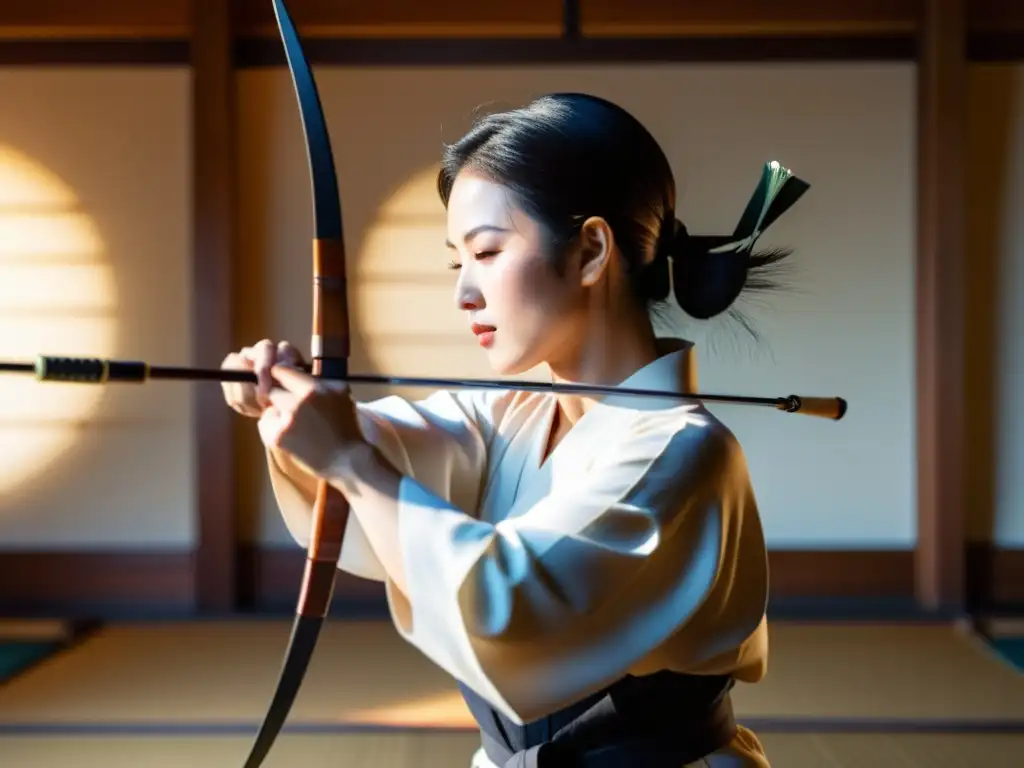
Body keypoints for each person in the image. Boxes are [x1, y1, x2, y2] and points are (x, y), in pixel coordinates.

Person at [221, 93, 807, 767]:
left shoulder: (686, 453)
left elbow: (516, 606)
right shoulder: (515, 414)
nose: (463, 293)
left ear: (591, 250)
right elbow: (399, 445)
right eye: (457, 262)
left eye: (488, 252)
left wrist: (349, 460)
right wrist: (285, 406)